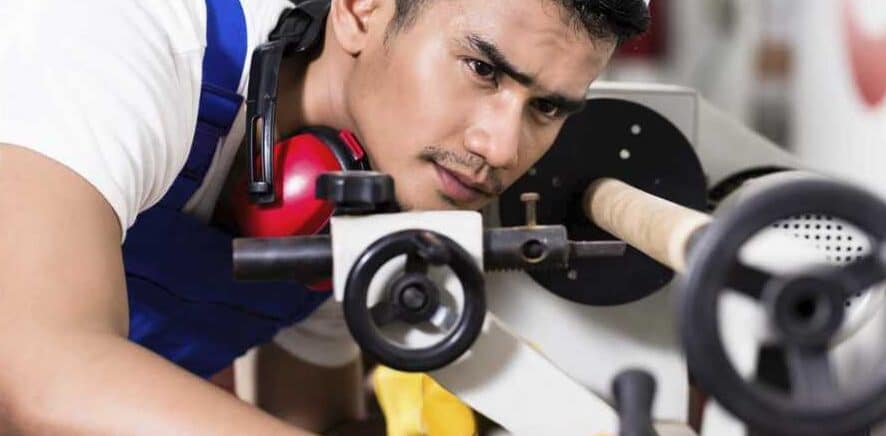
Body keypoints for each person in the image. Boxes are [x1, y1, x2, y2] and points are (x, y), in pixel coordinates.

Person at [0, 0, 649, 434]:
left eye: (548, 109)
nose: (502, 148)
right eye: (482, 69)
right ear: (362, 9)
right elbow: (41, 370)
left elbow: (306, 412)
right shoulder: (132, 34)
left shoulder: (371, 183)